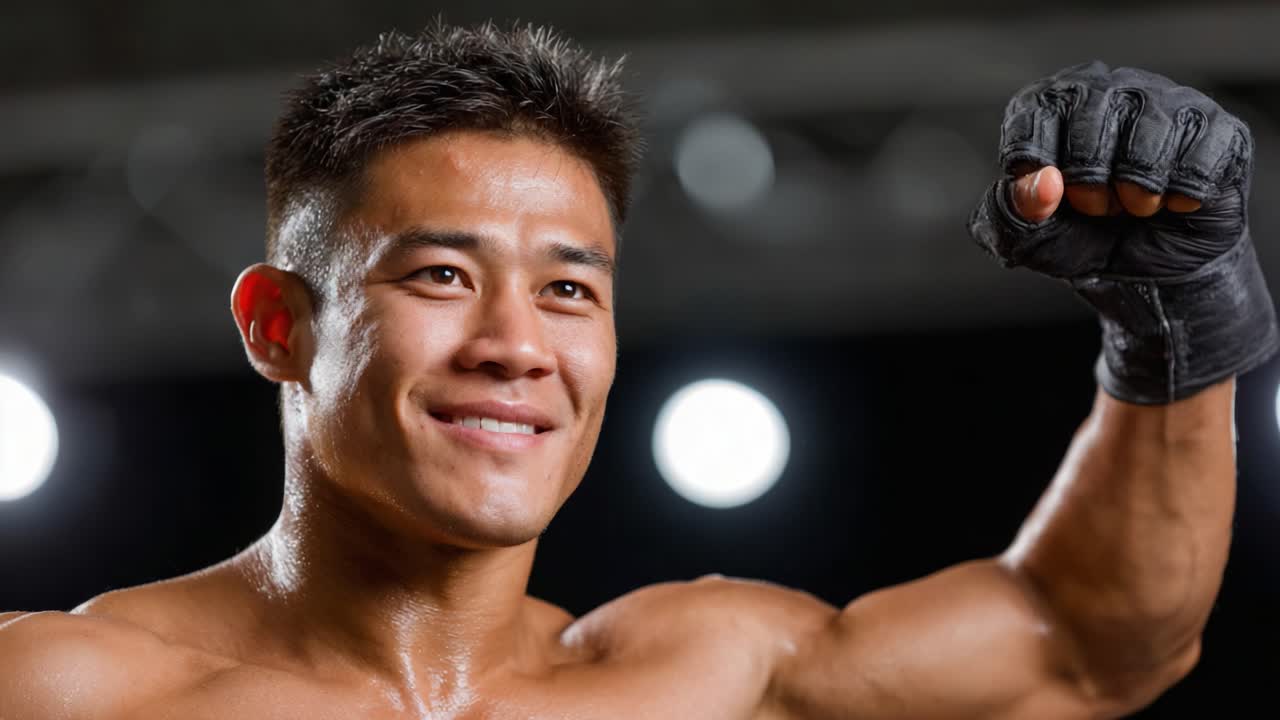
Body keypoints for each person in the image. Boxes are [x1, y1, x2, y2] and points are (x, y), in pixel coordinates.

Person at [1, 22, 1274, 720]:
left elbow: (1092, 646)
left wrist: (1175, 322)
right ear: (278, 325)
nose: (517, 344)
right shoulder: (64, 692)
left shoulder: (706, 681)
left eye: (568, 289)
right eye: (440, 276)